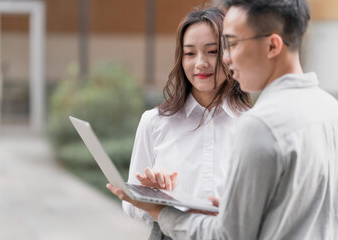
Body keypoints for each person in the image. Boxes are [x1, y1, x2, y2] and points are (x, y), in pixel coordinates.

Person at [107, 0, 338, 239]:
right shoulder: (331, 110)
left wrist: (161, 211)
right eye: (190, 52)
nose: (227, 58)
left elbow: (229, 235)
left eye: (231, 44)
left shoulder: (259, 124)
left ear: (272, 46)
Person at [122, 7, 251, 240]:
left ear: (230, 54)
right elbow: (130, 206)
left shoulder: (253, 125)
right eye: (189, 54)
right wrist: (154, 194)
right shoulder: (155, 122)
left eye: (212, 51)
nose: (200, 63)